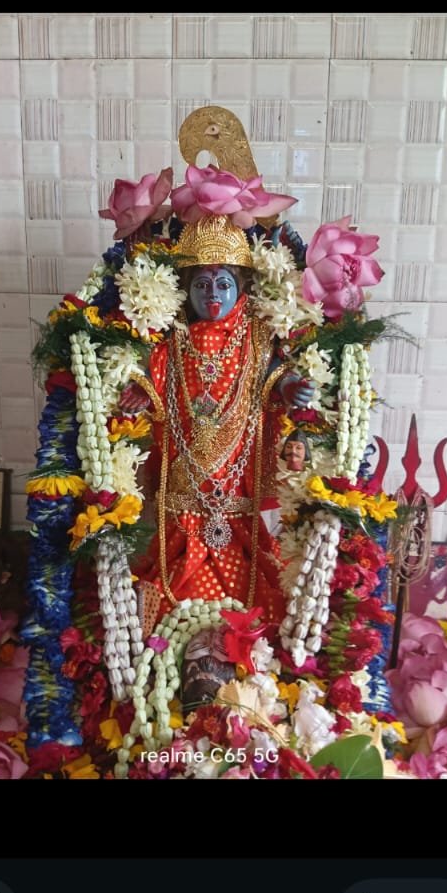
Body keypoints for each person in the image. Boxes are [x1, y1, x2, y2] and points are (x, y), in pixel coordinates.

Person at [120, 214, 314, 626]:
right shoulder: (172, 341)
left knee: (248, 568)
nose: (213, 295)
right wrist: (142, 391)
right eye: (202, 285)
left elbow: (272, 375)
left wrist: (288, 387)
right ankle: (175, 625)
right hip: (185, 479)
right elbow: (154, 380)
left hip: (236, 480)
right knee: (173, 565)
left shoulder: (257, 338)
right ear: (185, 290)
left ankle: (240, 631)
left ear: (240, 288)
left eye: (223, 284)